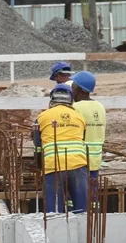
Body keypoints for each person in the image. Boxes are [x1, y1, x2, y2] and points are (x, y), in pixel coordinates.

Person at [33, 84, 89, 214]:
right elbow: (82, 139)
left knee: (53, 213)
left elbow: (38, 146)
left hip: (54, 166)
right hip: (78, 165)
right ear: (71, 100)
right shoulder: (79, 117)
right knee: (81, 210)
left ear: (52, 99)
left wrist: (39, 166)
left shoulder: (42, 117)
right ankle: (83, 233)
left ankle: (53, 233)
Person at [70, 71, 106, 182]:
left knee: (78, 195)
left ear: (78, 88)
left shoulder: (75, 108)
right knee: (92, 194)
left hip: (79, 159)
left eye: (73, 84)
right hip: (95, 159)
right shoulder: (100, 107)